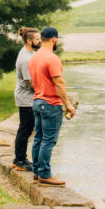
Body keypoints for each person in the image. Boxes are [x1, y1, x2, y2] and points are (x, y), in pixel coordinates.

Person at [28, 26, 76, 186]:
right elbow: (59, 83)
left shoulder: (34, 57)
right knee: (48, 141)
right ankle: (45, 174)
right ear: (54, 39)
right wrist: (68, 104)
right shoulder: (52, 58)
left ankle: (36, 171)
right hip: (50, 104)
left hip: (37, 101)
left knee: (39, 138)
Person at [13, 27, 41, 172]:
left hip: (29, 98)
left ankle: (20, 158)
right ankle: (19, 160)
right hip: (26, 98)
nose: (40, 41)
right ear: (29, 41)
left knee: (27, 128)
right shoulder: (25, 59)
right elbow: (31, 83)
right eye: (37, 39)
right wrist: (45, 90)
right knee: (25, 129)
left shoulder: (31, 53)